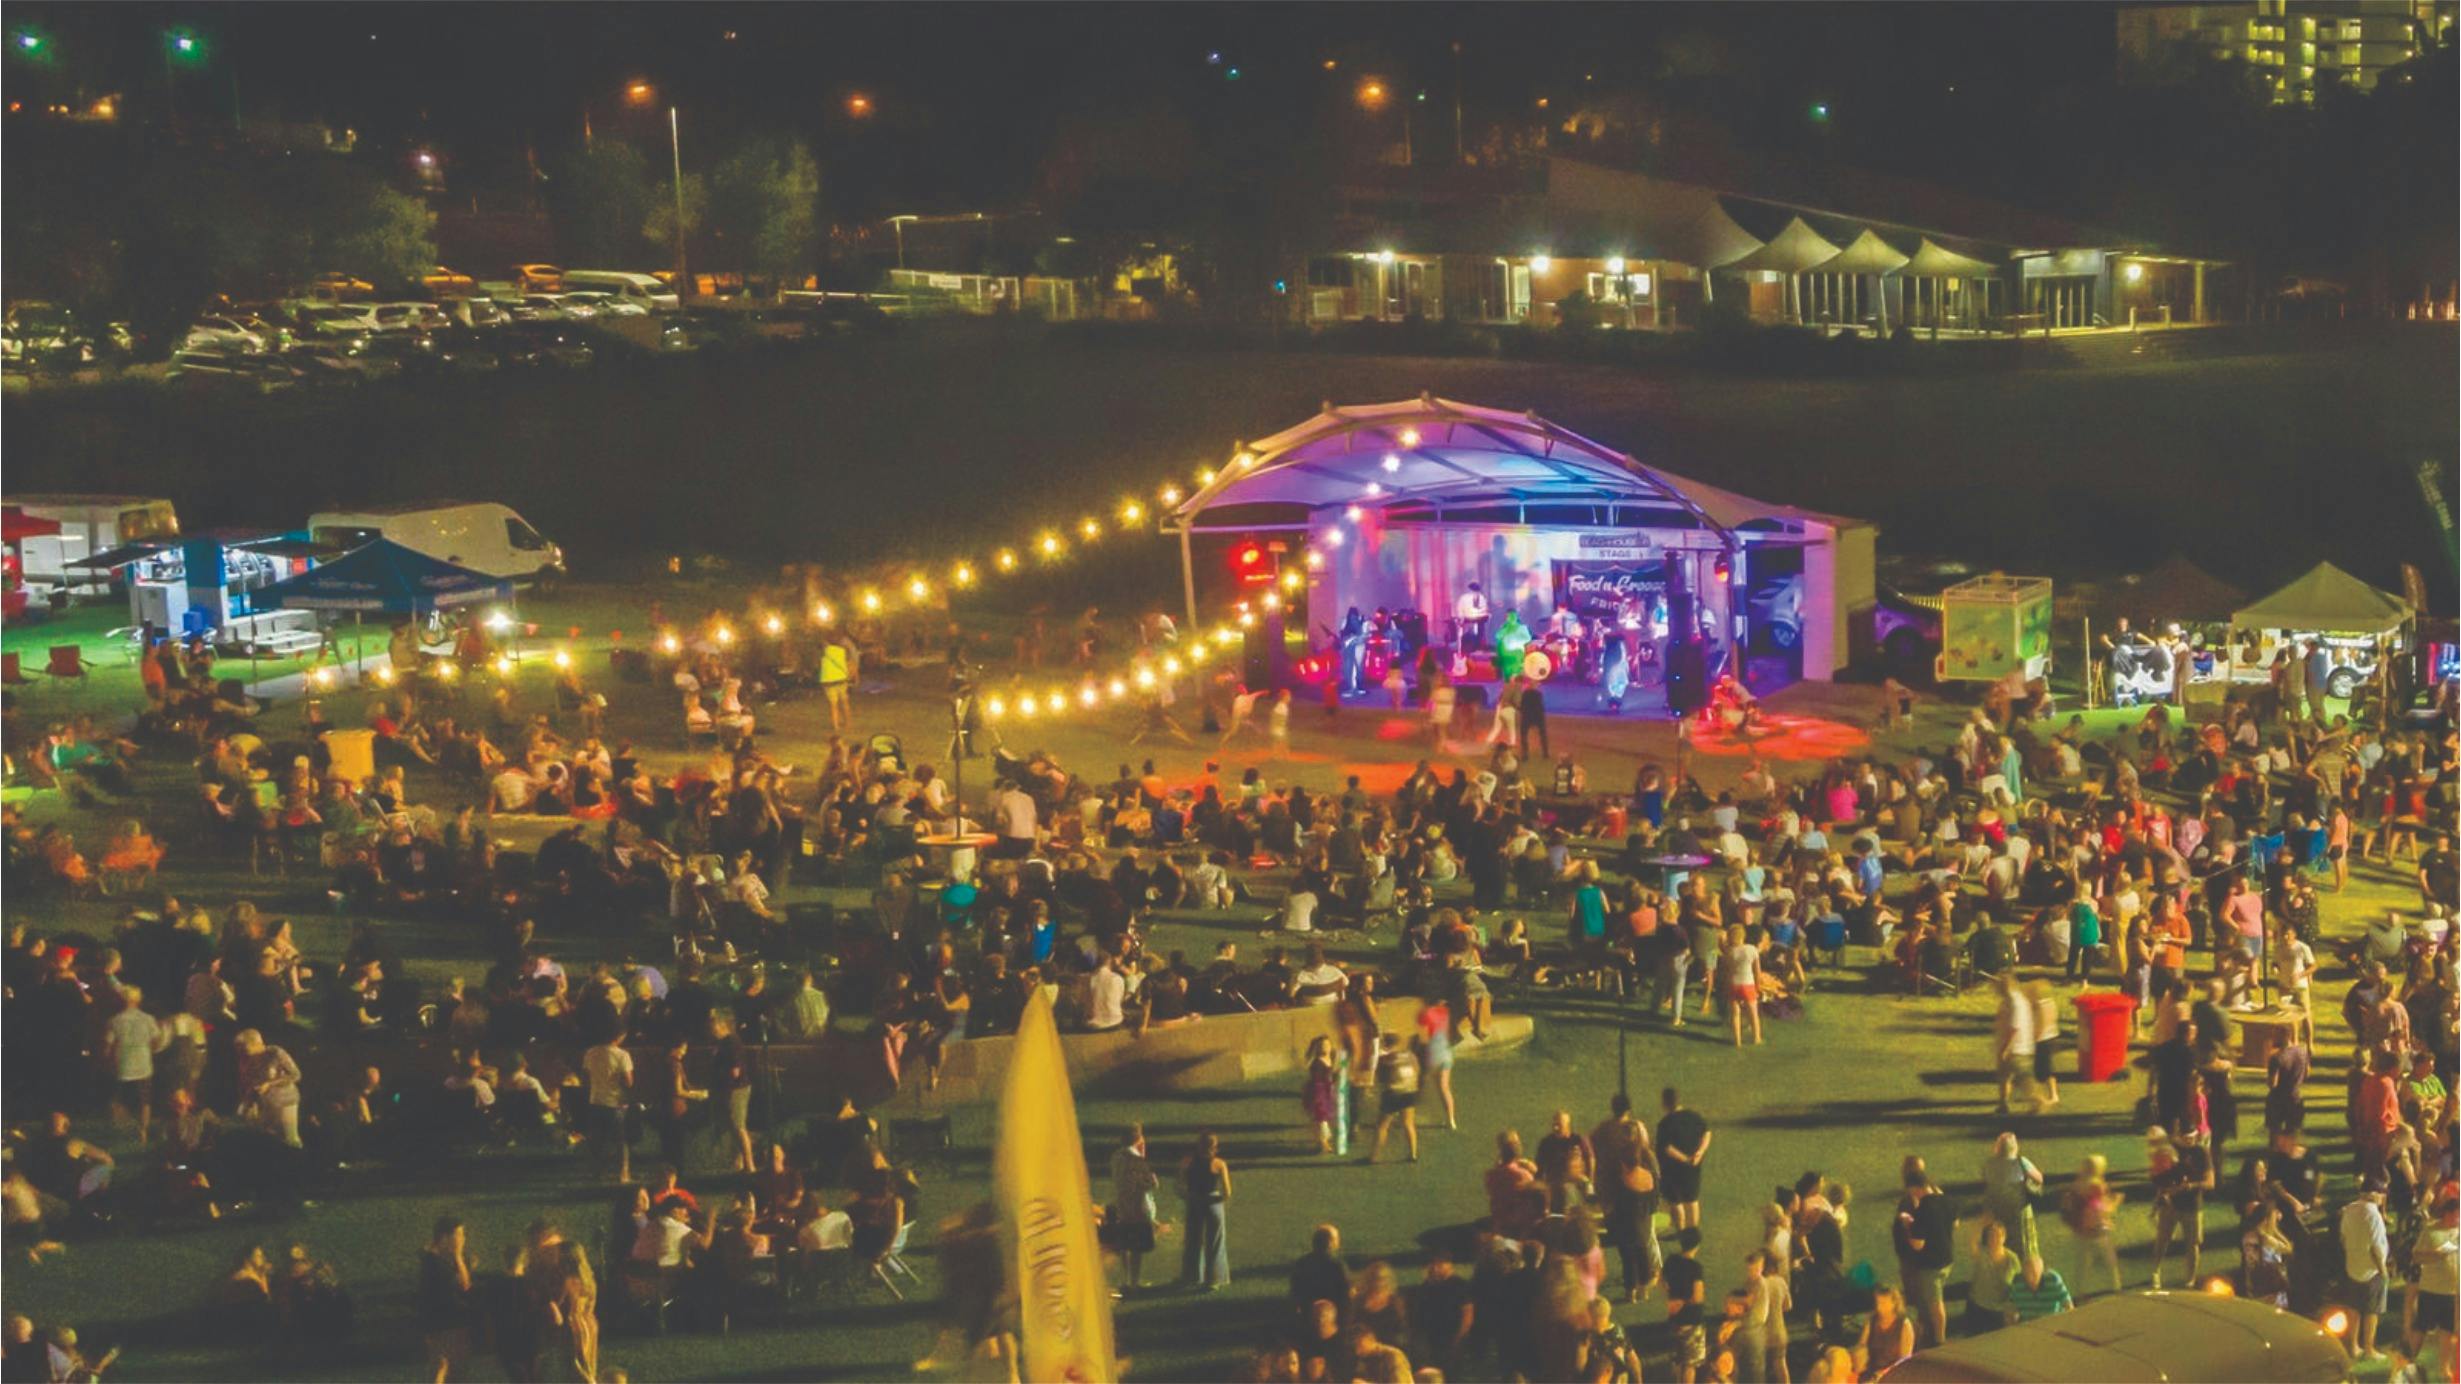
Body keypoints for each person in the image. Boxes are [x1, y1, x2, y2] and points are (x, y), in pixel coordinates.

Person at [1892, 1163, 1954, 1349]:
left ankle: (1939, 1339)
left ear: (1914, 1188)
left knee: (1935, 1303)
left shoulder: (1922, 1211)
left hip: (1931, 1264)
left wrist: (1908, 1225)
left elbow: (1917, 1245)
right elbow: (1956, 1222)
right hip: (1947, 1258)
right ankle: (1929, 1329)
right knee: (1932, 1298)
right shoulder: (1945, 1200)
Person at [2340, 1175, 2391, 1360]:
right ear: (2375, 1194)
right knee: (2371, 1310)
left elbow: (2343, 1237)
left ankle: (2353, 1346)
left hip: (2352, 1264)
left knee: (2354, 1308)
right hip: (2371, 1269)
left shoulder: (2349, 1210)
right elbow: (2376, 1246)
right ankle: (2369, 1348)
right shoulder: (2373, 1215)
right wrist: (2383, 1270)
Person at [419, 1217, 474, 1384]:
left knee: (448, 1369)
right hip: (446, 1326)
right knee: (445, 1369)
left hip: (448, 1324)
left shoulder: (435, 1261)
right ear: (444, 1238)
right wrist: (459, 1256)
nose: (462, 1239)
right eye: (458, 1234)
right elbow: (465, 1285)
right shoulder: (435, 1264)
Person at [1107, 1124, 1161, 1292]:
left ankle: (1125, 1279)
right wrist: (1153, 1182)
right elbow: (1141, 1184)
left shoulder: (1116, 1156)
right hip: (1137, 1206)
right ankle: (1134, 1282)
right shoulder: (1136, 1160)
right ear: (1138, 1140)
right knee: (1136, 1246)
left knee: (1124, 1244)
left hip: (1122, 1204)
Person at [1180, 1129, 1232, 1291]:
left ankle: (1193, 1276)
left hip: (1195, 1201)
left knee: (1193, 1240)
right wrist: (1220, 1201)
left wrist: (1188, 1197)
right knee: (1215, 1242)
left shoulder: (1187, 1161)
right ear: (1214, 1146)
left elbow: (1178, 1185)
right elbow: (1227, 1191)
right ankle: (1214, 1279)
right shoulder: (1219, 1164)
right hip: (1213, 1202)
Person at [1658, 1088, 1711, 1232]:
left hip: (1672, 1169)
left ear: (1665, 1103)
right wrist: (1700, 1153)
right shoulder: (1693, 1117)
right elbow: (1706, 1133)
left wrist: (1685, 1159)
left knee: (1675, 1201)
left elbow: (1667, 1148)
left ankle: (1681, 1230)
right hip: (1693, 1166)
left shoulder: (1665, 1123)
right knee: (1692, 1199)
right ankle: (1692, 1231)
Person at [1365, 1034, 1420, 1164]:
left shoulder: (1385, 1059)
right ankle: (1413, 1153)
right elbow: (1417, 1070)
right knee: (1408, 1124)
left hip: (1392, 1094)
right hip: (1409, 1092)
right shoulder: (1410, 1056)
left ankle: (1374, 1156)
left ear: (1385, 1044)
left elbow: (1381, 1078)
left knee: (1382, 1126)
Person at [1663, 1227, 1707, 1384]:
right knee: (1690, 1364)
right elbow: (1697, 1297)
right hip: (1691, 1320)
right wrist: (1683, 1302)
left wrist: (1673, 1299)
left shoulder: (1671, 1261)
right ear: (1697, 1245)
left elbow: (1662, 1281)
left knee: (1678, 1359)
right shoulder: (1695, 1268)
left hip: (1674, 1319)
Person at [1967, 1217, 2019, 1334]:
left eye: (1998, 1235)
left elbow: (2018, 1284)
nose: (1994, 1239)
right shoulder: (1980, 1253)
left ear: (2004, 1238)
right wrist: (1980, 1224)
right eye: (1991, 1235)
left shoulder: (2012, 1259)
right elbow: (1972, 1242)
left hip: (2000, 1310)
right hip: (1978, 1306)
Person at [1853, 1286, 1914, 1378]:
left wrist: (1884, 1373)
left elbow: (1905, 1359)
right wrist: (1859, 1355)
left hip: (1895, 1372)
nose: (1879, 1307)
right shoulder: (1872, 1321)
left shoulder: (1904, 1325)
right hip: (1872, 1370)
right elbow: (1862, 1345)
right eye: (1878, 1303)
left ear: (1894, 1303)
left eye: (1884, 1303)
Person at [2006, 1253, 2074, 1321]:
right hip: (2030, 1326)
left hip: (2053, 1322)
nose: (2030, 1278)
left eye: (2034, 1273)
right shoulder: (2018, 1282)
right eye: (2027, 1273)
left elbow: (2068, 1305)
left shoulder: (2053, 1279)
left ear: (2042, 1271)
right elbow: (2011, 1308)